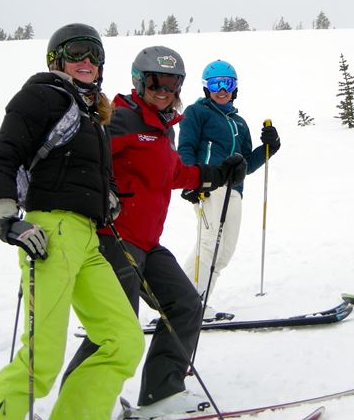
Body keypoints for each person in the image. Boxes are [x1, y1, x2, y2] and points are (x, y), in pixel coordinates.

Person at [0, 23, 145, 420]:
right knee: (41, 361)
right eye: (77, 52)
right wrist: (5, 217)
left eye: (94, 54)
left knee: (123, 340)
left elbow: (89, 172)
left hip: (86, 240)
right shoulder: (42, 95)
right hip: (50, 235)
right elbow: (3, 155)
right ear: (56, 59)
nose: (87, 61)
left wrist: (108, 197)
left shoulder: (91, 114)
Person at [62, 46, 246, 419]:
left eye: (172, 82)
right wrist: (102, 189)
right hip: (113, 239)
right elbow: (81, 158)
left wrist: (218, 174)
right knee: (114, 328)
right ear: (139, 81)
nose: (164, 88)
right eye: (155, 81)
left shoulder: (162, 128)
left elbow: (175, 174)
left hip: (147, 242)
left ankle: (162, 392)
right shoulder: (121, 118)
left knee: (185, 305)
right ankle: (76, 410)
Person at [178, 60, 280, 316]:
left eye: (227, 84)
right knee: (210, 243)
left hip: (234, 190)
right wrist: (191, 180)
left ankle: (189, 303)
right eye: (215, 84)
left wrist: (270, 147)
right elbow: (186, 147)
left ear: (235, 88)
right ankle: (187, 306)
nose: (221, 90)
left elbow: (247, 164)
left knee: (224, 252)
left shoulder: (240, 123)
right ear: (206, 88)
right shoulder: (197, 112)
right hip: (209, 185)